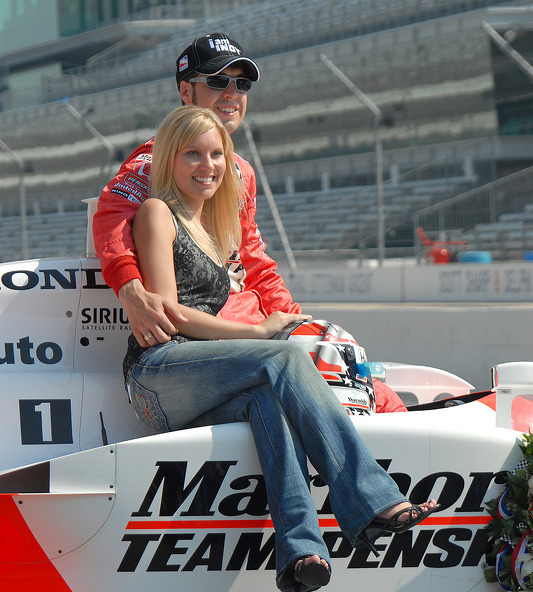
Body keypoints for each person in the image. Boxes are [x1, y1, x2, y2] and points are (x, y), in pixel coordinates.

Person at [122, 104, 439, 592]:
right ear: (168, 159)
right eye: (192, 155)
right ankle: (371, 499)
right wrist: (266, 331)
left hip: (203, 377)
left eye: (216, 155)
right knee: (285, 358)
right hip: (157, 373)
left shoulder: (216, 225)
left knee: (268, 405)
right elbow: (171, 315)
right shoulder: (157, 212)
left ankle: (300, 553)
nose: (207, 166)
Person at [92, 31, 406, 414]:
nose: (231, 93)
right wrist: (130, 290)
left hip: (252, 329)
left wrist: (291, 317)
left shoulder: (240, 171)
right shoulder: (154, 159)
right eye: (218, 81)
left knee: (361, 375)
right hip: (213, 342)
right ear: (186, 93)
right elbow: (110, 217)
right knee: (355, 388)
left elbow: (252, 259)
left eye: (241, 84)